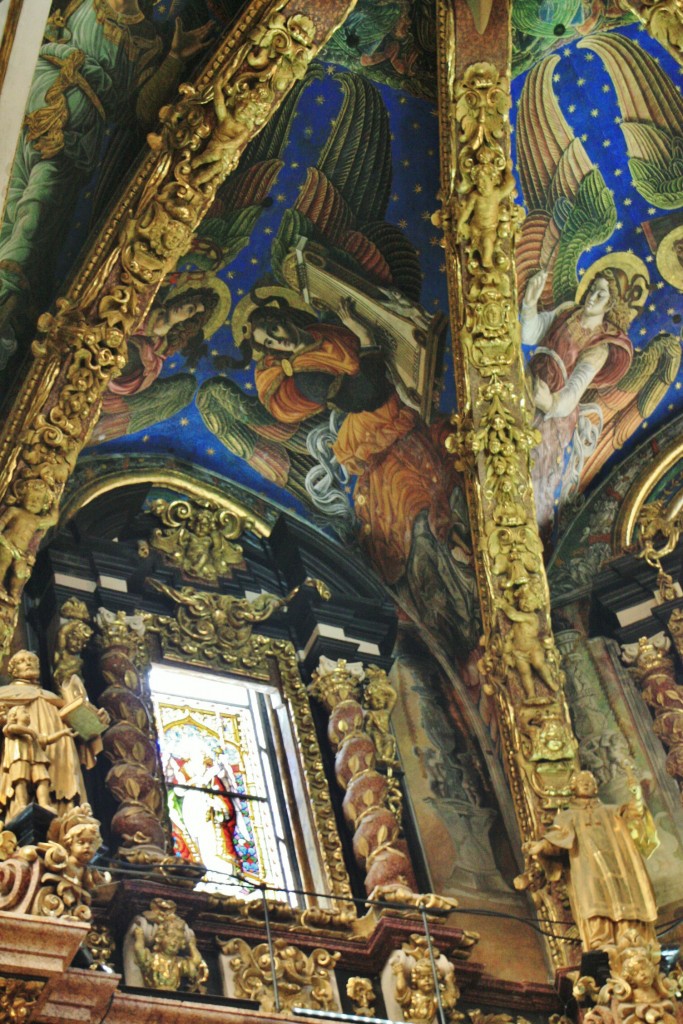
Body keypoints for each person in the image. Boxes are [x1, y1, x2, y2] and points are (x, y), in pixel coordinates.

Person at [0, 0, 212, 357]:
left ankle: (4, 308)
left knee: (34, 217)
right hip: (30, 90)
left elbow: (141, 113)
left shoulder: (149, 40)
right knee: (7, 211)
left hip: (76, 127)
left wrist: (175, 57)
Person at [248, 296, 461, 585]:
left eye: (274, 330)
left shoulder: (324, 332)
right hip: (375, 425)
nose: (277, 341)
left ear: (284, 320)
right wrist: (365, 337)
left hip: (396, 402)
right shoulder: (306, 377)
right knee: (412, 491)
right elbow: (366, 395)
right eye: (269, 343)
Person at [522, 266, 635, 529]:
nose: (592, 297)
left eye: (601, 295)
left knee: (532, 468)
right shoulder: (567, 312)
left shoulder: (600, 346)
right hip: (530, 381)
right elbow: (530, 334)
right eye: (593, 289)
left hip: (553, 412)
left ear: (611, 304)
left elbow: (574, 390)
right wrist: (529, 303)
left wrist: (550, 403)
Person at [520, 770, 658, 951]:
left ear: (596, 788)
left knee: (626, 895)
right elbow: (558, 838)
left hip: (619, 864)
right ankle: (600, 939)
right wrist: (541, 845)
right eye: (581, 781)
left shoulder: (612, 811)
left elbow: (635, 815)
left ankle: (630, 935)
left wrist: (636, 795)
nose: (586, 784)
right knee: (593, 898)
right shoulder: (568, 816)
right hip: (587, 866)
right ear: (573, 788)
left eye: (590, 781)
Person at [93, 286, 218, 441]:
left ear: (188, 321)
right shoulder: (145, 306)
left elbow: (132, 385)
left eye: (190, 310)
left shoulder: (158, 352)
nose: (184, 306)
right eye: (188, 301)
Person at [0, 650, 88, 811]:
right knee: (24, 776)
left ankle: (66, 812)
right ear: (13, 671)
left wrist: (94, 719)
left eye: (31, 660)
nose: (28, 663)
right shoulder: (5, 694)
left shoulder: (51, 696)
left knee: (60, 779)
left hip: (59, 747)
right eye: (21, 661)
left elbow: (81, 725)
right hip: (26, 745)